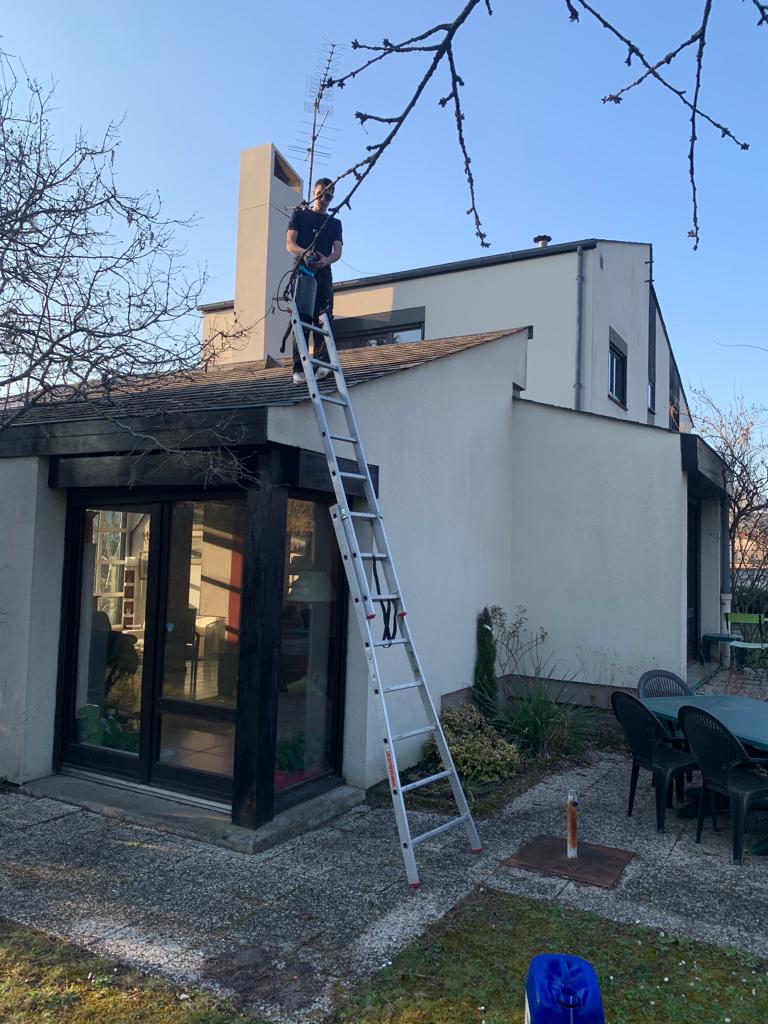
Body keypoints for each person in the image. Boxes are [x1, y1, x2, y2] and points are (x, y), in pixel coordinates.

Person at [286, 178, 343, 384]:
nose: (323, 199)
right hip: (303, 271)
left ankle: (321, 363)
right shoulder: (300, 215)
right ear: (313, 192)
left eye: (328, 196)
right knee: (302, 318)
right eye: (320, 194)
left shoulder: (334, 222)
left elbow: (337, 251)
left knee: (323, 316)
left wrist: (326, 260)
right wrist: (305, 253)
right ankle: (299, 368)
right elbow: (290, 244)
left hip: (323, 273)